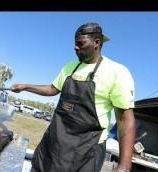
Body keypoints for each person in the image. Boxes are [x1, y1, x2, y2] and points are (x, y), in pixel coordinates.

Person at [11, 22, 136, 172]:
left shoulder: (117, 72)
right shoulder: (70, 66)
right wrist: (26, 87)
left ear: (97, 43)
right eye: (75, 43)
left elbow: (125, 120)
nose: (75, 47)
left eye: (80, 43)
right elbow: (53, 89)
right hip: (55, 140)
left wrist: (124, 165)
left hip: (86, 149)